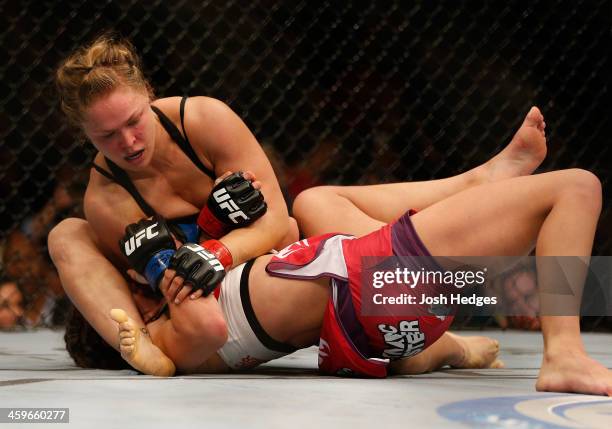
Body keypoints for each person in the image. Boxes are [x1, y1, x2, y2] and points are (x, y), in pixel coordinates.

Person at [67, 107, 611, 395]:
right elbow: (198, 326)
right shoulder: (178, 330)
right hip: (379, 280)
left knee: (318, 200)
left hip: (387, 315)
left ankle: (483, 186)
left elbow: (274, 231)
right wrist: (153, 306)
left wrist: (210, 237)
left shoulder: (199, 317)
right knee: (577, 187)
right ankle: (562, 353)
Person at [48, 33, 298, 366]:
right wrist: (212, 228)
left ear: (148, 93)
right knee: (66, 233)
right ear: (84, 134)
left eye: (134, 120)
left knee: (297, 223)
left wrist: (219, 249)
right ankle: (140, 345)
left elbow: (277, 219)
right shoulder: (106, 197)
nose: (128, 142)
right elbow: (181, 279)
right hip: (197, 301)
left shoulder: (205, 120)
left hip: (247, 262)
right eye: (107, 135)